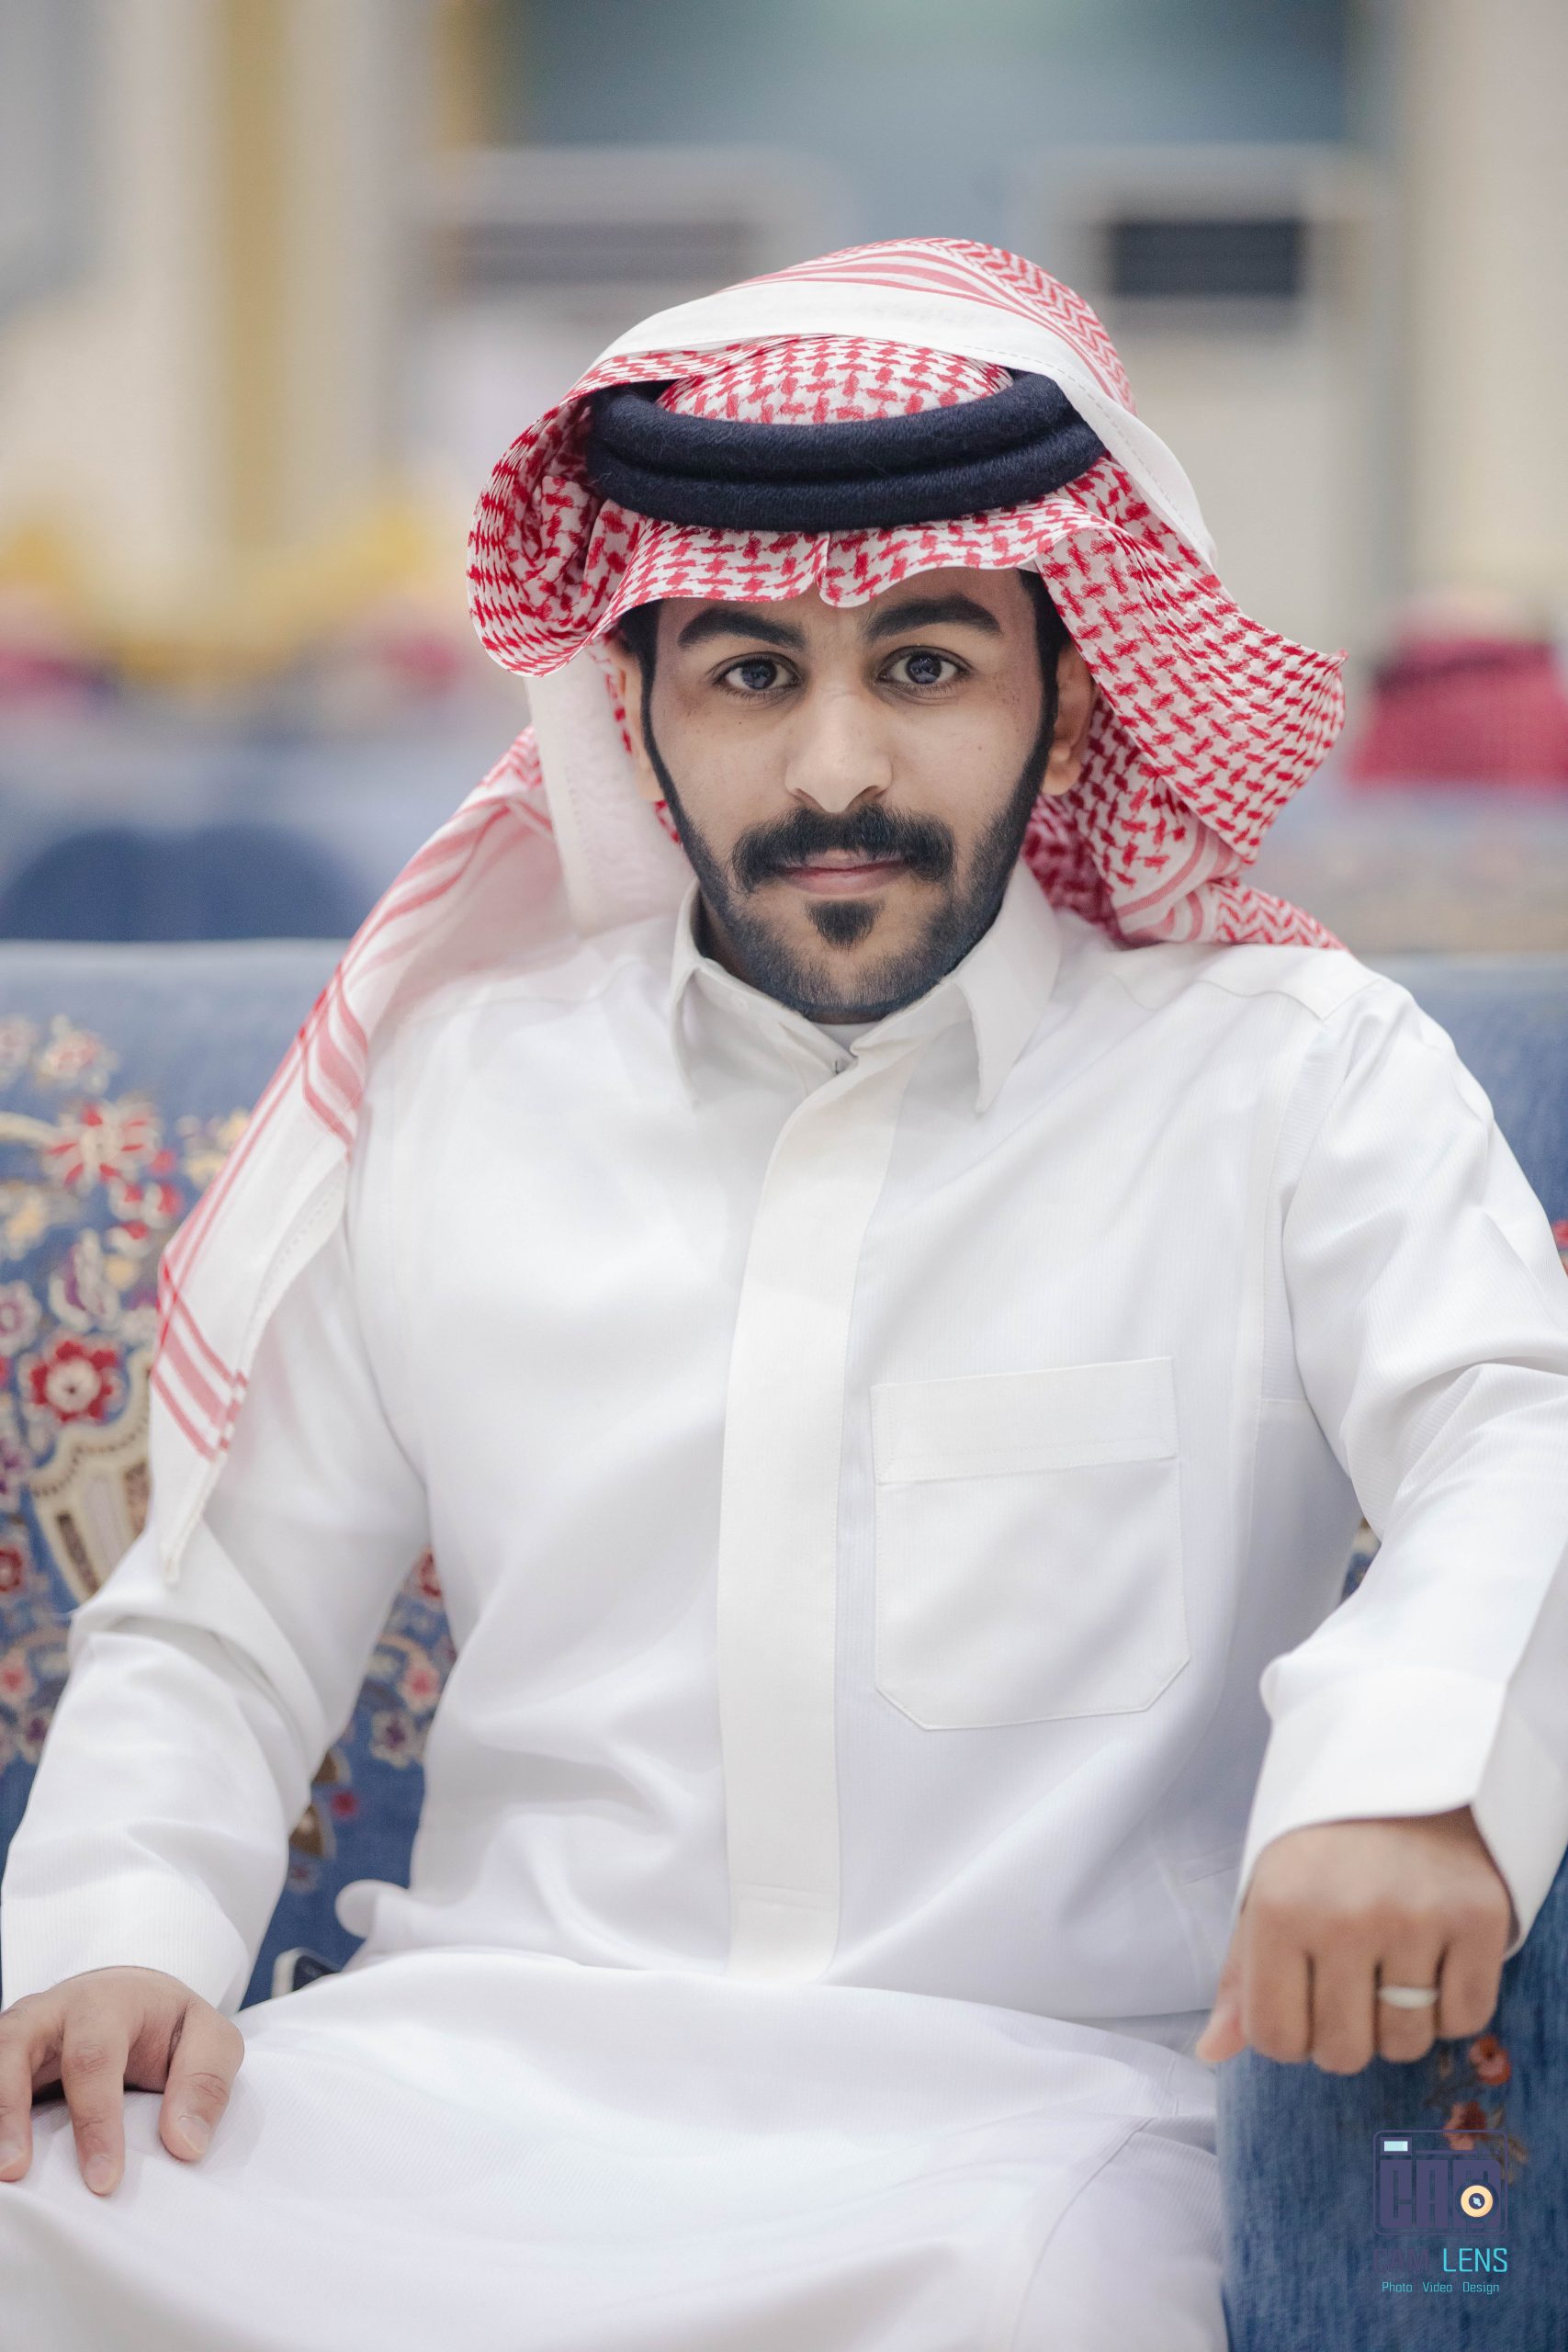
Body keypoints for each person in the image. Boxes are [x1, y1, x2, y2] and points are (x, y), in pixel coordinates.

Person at [1, 239, 1565, 2352]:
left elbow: (1514, 1427)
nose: (837, 768)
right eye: (749, 674)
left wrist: (1410, 1766)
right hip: (458, 2085)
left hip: (1015, 2137)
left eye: (922, 664)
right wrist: (109, 1931)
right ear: (636, 708)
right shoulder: (462, 1086)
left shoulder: (1285, 1076)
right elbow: (223, 1617)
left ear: (1064, 693)